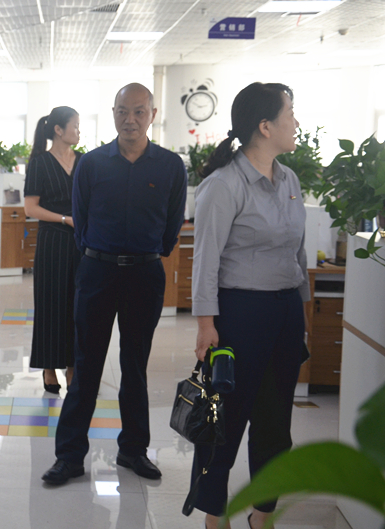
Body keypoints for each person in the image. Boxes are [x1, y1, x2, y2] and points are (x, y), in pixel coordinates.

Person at [42, 83, 187, 485]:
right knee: (86, 365)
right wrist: (98, 254)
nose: (131, 119)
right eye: (123, 111)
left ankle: (133, 450)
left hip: (144, 274)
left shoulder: (170, 166)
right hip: (97, 272)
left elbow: (173, 223)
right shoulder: (91, 164)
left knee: (135, 366)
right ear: (113, 114)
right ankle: (70, 456)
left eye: (139, 111)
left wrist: (150, 252)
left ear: (152, 115)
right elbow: (81, 221)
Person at [189, 82, 309, 529]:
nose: (295, 122)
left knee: (275, 424)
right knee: (225, 420)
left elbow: (298, 254)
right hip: (240, 315)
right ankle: (214, 514)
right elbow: (205, 262)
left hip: (284, 312)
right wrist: (205, 325)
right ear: (265, 127)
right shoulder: (224, 185)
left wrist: (302, 314)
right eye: (289, 113)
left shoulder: (290, 180)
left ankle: (262, 513)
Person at [23, 106, 82, 394]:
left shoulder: (83, 161)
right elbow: (30, 208)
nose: (79, 132)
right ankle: (48, 367)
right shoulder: (40, 163)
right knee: (50, 304)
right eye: (75, 126)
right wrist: (64, 218)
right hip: (52, 241)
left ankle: (72, 366)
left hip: (81, 243)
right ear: (58, 130)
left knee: (77, 305)